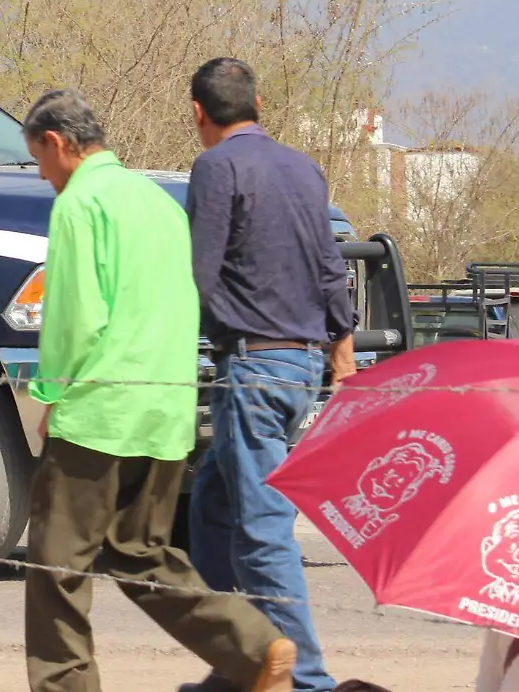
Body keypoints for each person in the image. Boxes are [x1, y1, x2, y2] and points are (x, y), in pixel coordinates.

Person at [20, 88, 296, 692]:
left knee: (55, 567)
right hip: (165, 408)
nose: (45, 177)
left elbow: (76, 315)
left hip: (100, 411)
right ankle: (253, 648)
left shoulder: (80, 204)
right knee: (141, 554)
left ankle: (66, 686)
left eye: (41, 162)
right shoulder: (158, 202)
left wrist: (48, 393)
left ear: (58, 144)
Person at [183, 58, 353, 692]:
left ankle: (307, 679)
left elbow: (200, 273)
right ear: (260, 103)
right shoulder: (303, 168)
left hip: (253, 366)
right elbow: (329, 263)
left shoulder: (215, 167)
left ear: (199, 112)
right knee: (213, 507)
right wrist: (342, 348)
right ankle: (242, 659)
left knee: (261, 527)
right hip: (302, 362)